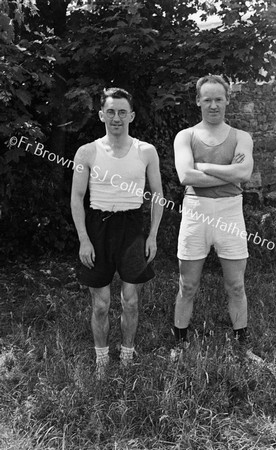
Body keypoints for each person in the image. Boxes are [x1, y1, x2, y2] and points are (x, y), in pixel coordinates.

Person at [71, 87, 163, 377]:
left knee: (131, 300)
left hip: (132, 228)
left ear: (131, 115)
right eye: (110, 111)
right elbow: (76, 198)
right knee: (100, 304)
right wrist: (84, 239)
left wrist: (152, 235)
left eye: (122, 112)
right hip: (98, 228)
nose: (116, 118)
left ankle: (126, 354)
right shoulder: (87, 151)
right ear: (101, 115)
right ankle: (101, 362)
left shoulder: (146, 151)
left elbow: (158, 195)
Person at [172, 74, 255, 360]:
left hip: (231, 212)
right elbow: (185, 175)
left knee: (236, 284)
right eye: (207, 99)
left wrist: (203, 166)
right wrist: (227, 172)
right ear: (198, 101)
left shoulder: (242, 137)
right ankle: (180, 343)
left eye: (219, 99)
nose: (213, 105)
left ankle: (241, 346)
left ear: (228, 100)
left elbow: (243, 173)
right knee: (187, 284)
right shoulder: (186, 136)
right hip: (196, 211)